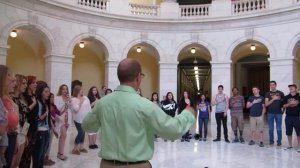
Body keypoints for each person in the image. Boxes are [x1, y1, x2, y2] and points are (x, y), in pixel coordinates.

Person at [82, 58, 196, 168]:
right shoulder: (145, 105)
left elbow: (87, 126)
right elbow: (173, 130)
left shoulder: (103, 103)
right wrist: (188, 114)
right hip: (137, 165)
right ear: (138, 77)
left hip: (107, 165)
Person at [32, 82, 50, 168]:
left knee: (42, 156)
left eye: (48, 92)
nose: (48, 94)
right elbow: (37, 118)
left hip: (46, 131)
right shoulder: (38, 103)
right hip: (40, 132)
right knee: (38, 156)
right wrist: (46, 113)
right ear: (40, 92)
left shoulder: (45, 103)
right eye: (46, 92)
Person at [71, 85, 90, 155]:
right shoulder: (73, 100)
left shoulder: (85, 97)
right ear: (77, 91)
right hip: (77, 119)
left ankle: (81, 147)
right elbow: (76, 110)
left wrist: (90, 116)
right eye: (81, 90)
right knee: (81, 132)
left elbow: (88, 107)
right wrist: (80, 102)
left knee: (83, 132)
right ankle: (75, 148)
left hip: (85, 118)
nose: (82, 91)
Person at [54, 84, 71, 160]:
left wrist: (69, 101)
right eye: (63, 89)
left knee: (63, 137)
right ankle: (60, 154)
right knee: (63, 135)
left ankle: (59, 153)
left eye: (66, 89)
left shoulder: (67, 98)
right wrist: (65, 102)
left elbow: (70, 108)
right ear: (60, 90)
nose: (65, 90)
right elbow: (58, 109)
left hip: (66, 119)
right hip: (60, 119)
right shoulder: (57, 98)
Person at [265, 81, 284, 146]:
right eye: (270, 85)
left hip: (278, 113)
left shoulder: (281, 93)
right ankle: (271, 141)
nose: (272, 86)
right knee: (271, 128)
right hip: (270, 113)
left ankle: (279, 142)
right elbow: (266, 104)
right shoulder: (268, 93)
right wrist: (273, 99)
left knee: (279, 128)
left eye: (273, 85)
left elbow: (283, 103)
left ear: (276, 85)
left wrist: (282, 111)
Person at [283, 84, 300, 152]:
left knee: (299, 133)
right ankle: (290, 145)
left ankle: (299, 146)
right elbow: (283, 106)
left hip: (296, 117)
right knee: (288, 132)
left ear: (296, 88)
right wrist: (290, 104)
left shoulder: (299, 97)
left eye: (292, 87)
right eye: (290, 87)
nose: (291, 88)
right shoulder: (286, 97)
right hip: (288, 117)